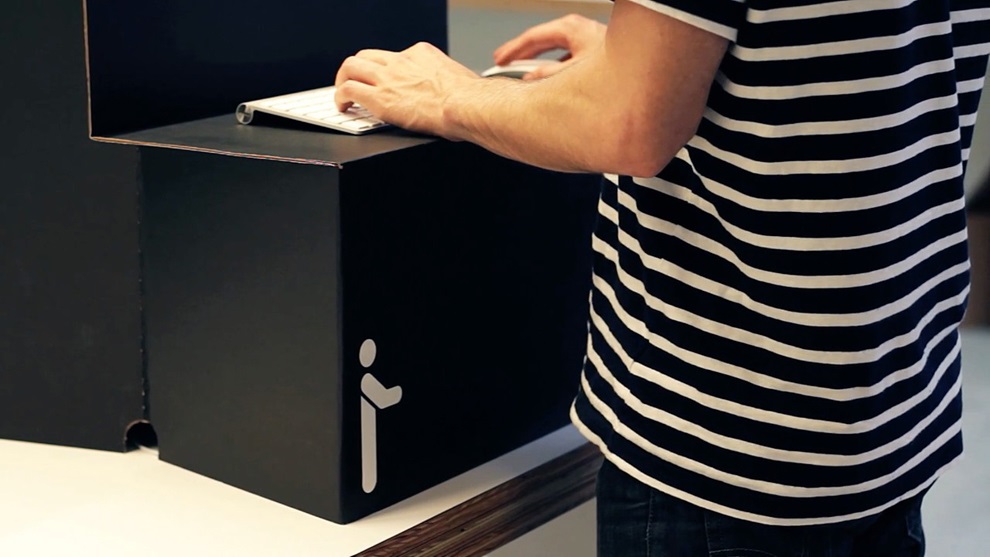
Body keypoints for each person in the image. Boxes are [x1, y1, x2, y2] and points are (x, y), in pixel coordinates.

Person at [335, 0, 990, 555]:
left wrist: (454, 95)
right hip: (893, 415)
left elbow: (630, 123)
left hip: (725, 442)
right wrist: (660, 53)